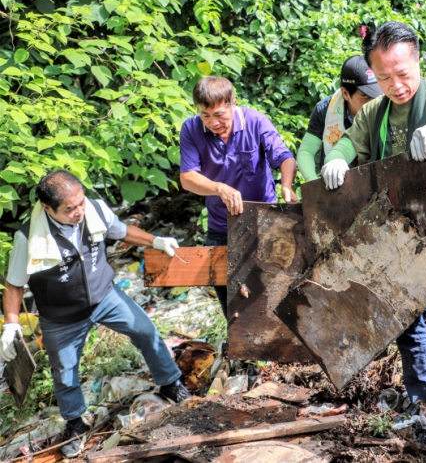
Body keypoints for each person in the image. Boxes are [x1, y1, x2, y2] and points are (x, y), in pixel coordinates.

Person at [320, 21, 426, 433]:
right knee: (405, 319)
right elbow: (350, 141)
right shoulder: (373, 114)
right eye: (383, 77)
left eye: (403, 73)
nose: (395, 85)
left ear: (418, 60)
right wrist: (338, 158)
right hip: (399, 233)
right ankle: (425, 397)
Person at [0, 170, 189, 459]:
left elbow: (121, 231)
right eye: (70, 208)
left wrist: (156, 241)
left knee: (145, 329)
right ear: (48, 209)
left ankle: (170, 383)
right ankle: (76, 423)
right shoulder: (28, 238)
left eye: (80, 203)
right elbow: (14, 285)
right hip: (61, 315)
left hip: (104, 296)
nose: (78, 212)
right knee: (64, 372)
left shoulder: (95, 209)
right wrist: (11, 324)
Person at [179, 77, 298, 315]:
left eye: (220, 114)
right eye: (206, 115)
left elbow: (285, 157)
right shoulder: (191, 129)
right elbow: (187, 177)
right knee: (232, 300)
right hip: (221, 226)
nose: (213, 122)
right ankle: (242, 349)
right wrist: (219, 188)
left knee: (273, 288)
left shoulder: (255, 121)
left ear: (233, 102)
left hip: (265, 220)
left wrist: (286, 186)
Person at [296, 55, 383, 181]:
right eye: (366, 96)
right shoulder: (324, 110)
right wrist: (313, 183)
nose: (374, 101)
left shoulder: (386, 105)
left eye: (376, 93)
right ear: (346, 94)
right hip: (335, 185)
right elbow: (306, 152)